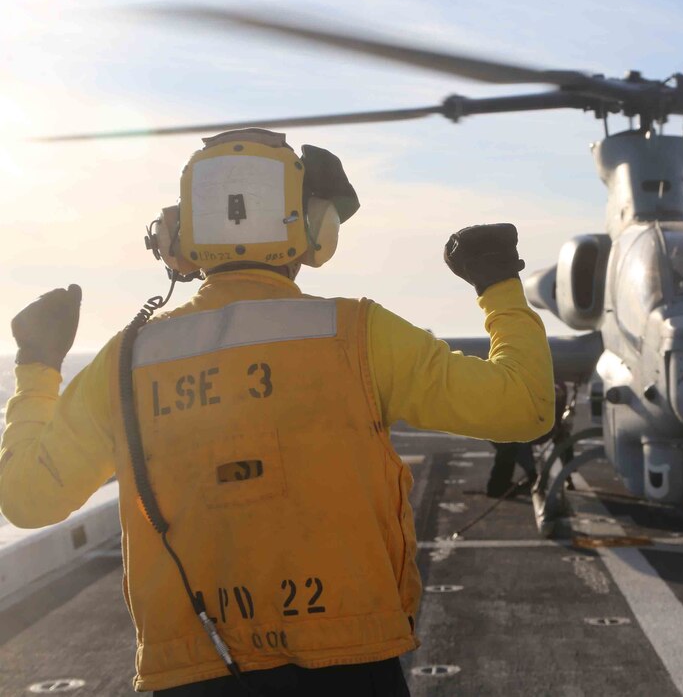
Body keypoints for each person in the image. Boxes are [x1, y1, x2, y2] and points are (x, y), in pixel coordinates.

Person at [0, 129, 554, 695]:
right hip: (349, 665)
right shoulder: (357, 334)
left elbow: (27, 497)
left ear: (177, 236)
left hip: (193, 669)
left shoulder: (127, 360)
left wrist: (39, 366)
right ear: (312, 230)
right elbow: (525, 407)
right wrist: (498, 285)